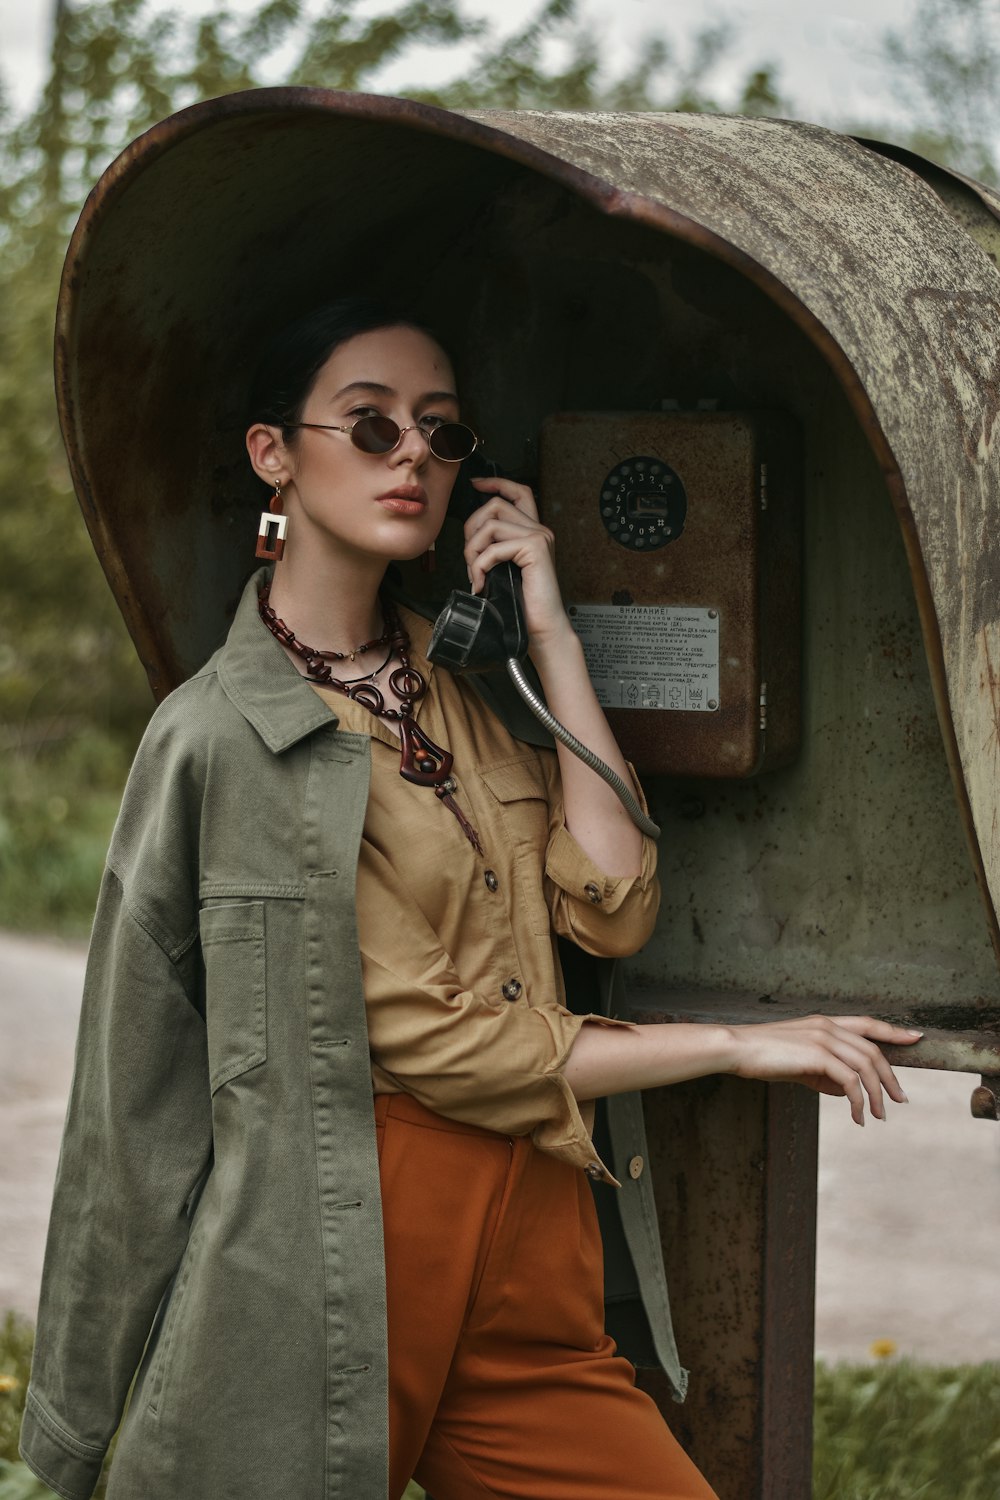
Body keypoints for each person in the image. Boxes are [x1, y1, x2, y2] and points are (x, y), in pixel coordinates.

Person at [20, 298, 922, 1500]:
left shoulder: (466, 697)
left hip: (535, 1240)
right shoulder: (222, 738)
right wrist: (729, 1047)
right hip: (348, 1253)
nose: (412, 460)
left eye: (441, 436)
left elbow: (610, 905)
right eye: (372, 426)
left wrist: (547, 628)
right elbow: (356, 1051)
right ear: (272, 453)